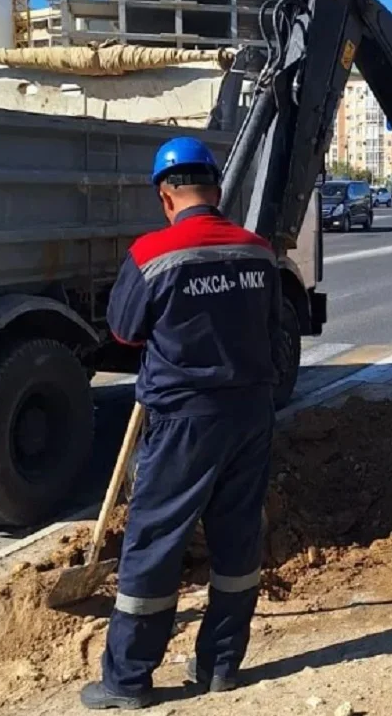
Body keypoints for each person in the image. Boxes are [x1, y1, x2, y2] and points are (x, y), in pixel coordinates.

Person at [81, 136, 282, 710]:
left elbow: (123, 331)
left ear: (166, 195)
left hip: (183, 422)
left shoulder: (152, 254)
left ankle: (127, 681)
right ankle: (220, 666)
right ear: (215, 190)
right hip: (250, 415)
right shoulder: (258, 252)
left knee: (154, 542)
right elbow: (274, 328)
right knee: (238, 538)